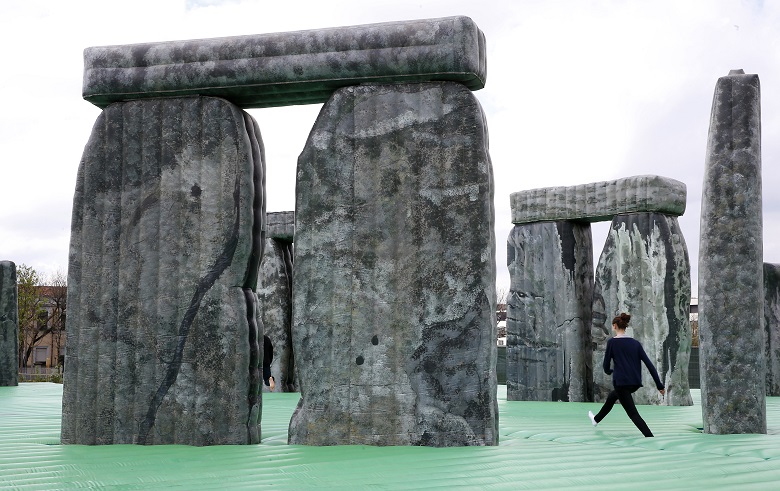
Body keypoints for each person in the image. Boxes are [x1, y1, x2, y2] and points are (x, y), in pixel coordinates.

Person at [588, 313, 665, 437]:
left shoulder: (612, 343)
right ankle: (596, 419)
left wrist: (609, 371)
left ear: (614, 326)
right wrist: (659, 385)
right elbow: (649, 364)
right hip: (634, 383)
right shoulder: (635, 344)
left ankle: (649, 436)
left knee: (633, 414)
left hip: (621, 383)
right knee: (612, 397)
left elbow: (606, 365)